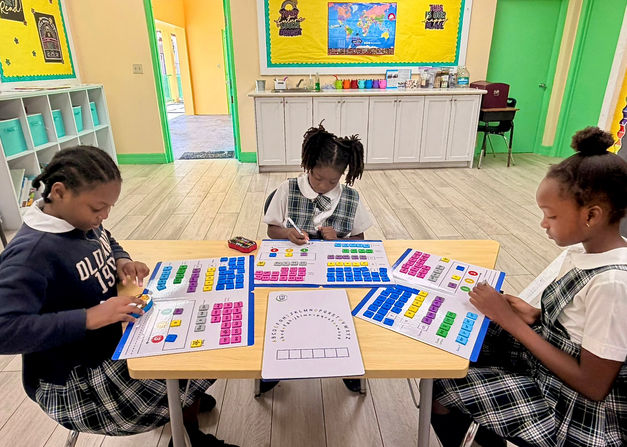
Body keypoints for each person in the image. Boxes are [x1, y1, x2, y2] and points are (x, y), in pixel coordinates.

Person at [0, 146, 237, 447]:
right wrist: (88, 318)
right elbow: (4, 331)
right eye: (98, 209)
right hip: (74, 381)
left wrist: (121, 260)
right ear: (58, 192)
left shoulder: (79, 221)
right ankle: (183, 426)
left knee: (199, 333)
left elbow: (106, 239)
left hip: (110, 345)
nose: (104, 217)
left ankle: (179, 406)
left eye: (109, 208)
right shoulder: (31, 254)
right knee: (198, 356)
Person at [431, 127, 627, 447]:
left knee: (440, 388)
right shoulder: (581, 253)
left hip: (574, 410)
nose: (543, 224)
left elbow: (593, 385)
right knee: (467, 339)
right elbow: (576, 327)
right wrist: (533, 315)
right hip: (552, 372)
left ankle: (481, 434)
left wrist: (509, 321)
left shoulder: (613, 284)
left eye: (550, 215)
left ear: (591, 215)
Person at [263, 123, 373, 393]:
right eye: (317, 178)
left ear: (343, 175)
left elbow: (359, 240)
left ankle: (346, 362)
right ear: (307, 166)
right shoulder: (288, 189)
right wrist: (288, 233)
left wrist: (339, 239)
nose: (324, 186)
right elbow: (271, 229)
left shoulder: (350, 198)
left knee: (343, 311)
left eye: (333, 181)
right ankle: (279, 361)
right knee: (286, 310)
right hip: (294, 269)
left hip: (334, 271)